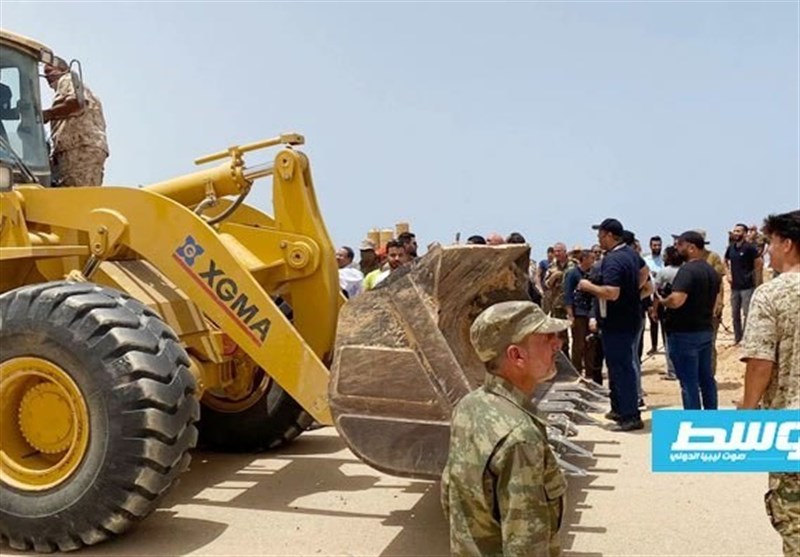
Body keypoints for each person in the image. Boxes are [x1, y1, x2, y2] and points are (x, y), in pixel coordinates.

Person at [441, 301, 568, 556]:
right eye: (546, 337)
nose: (558, 343)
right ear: (516, 356)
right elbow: (525, 545)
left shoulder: (470, 404)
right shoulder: (521, 437)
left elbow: (452, 496)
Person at [739, 210, 800, 557]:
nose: (767, 252)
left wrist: (746, 414)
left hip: (790, 430)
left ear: (788, 244)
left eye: (771, 243)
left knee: (795, 526)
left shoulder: (771, 295)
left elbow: (761, 364)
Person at [578, 218, 648, 431]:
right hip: (628, 318)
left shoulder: (614, 260)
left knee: (622, 368)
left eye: (600, 235)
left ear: (609, 235)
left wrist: (587, 286)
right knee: (619, 367)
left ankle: (630, 416)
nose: (598, 239)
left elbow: (611, 292)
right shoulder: (632, 255)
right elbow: (644, 273)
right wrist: (632, 291)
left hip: (617, 322)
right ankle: (619, 409)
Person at [659, 231, 721, 410]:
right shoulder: (711, 271)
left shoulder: (687, 270)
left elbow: (677, 300)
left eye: (680, 245)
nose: (676, 248)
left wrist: (663, 301)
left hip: (685, 333)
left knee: (689, 382)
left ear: (692, 248)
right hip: (704, 330)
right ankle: (711, 417)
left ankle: (693, 421)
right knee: (706, 379)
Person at [42, 62, 108, 187]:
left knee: (77, 196)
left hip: (79, 149)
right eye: (44, 74)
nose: (47, 77)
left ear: (63, 69)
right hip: (82, 148)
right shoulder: (79, 87)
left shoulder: (67, 79)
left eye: (50, 71)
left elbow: (75, 103)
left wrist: (46, 114)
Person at [725, 223, 763, 344]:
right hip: (734, 286)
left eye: (738, 231)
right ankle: (737, 338)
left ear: (745, 233)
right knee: (735, 314)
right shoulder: (731, 248)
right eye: (735, 231)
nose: (736, 233)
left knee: (747, 313)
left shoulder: (749, 248)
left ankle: (746, 339)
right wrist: (728, 274)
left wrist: (757, 280)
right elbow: (725, 260)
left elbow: (758, 262)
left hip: (747, 285)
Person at [564, 249, 596, 376]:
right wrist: (570, 315)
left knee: (591, 344)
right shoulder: (572, 273)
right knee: (578, 345)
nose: (593, 261)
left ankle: (590, 373)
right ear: (584, 259)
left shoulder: (593, 273)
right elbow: (567, 295)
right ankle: (576, 372)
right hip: (578, 313)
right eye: (591, 259)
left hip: (591, 313)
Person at [652, 246, 682, 380]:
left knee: (668, 340)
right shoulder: (685, 270)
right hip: (684, 308)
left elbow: (656, 292)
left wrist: (654, 309)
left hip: (667, 308)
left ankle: (672, 370)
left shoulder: (663, 272)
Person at [544, 242, 574, 355]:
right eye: (555, 251)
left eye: (559, 251)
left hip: (572, 303)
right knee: (560, 333)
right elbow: (546, 284)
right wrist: (554, 277)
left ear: (565, 252)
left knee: (577, 334)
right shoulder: (552, 266)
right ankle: (564, 357)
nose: (556, 254)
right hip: (557, 303)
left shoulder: (573, 264)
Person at [643, 236, 664, 354]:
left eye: (659, 245)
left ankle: (666, 344)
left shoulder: (664, 260)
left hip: (662, 294)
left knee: (664, 322)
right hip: (649, 293)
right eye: (654, 245)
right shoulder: (646, 260)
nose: (657, 247)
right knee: (653, 321)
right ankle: (654, 346)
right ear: (650, 246)